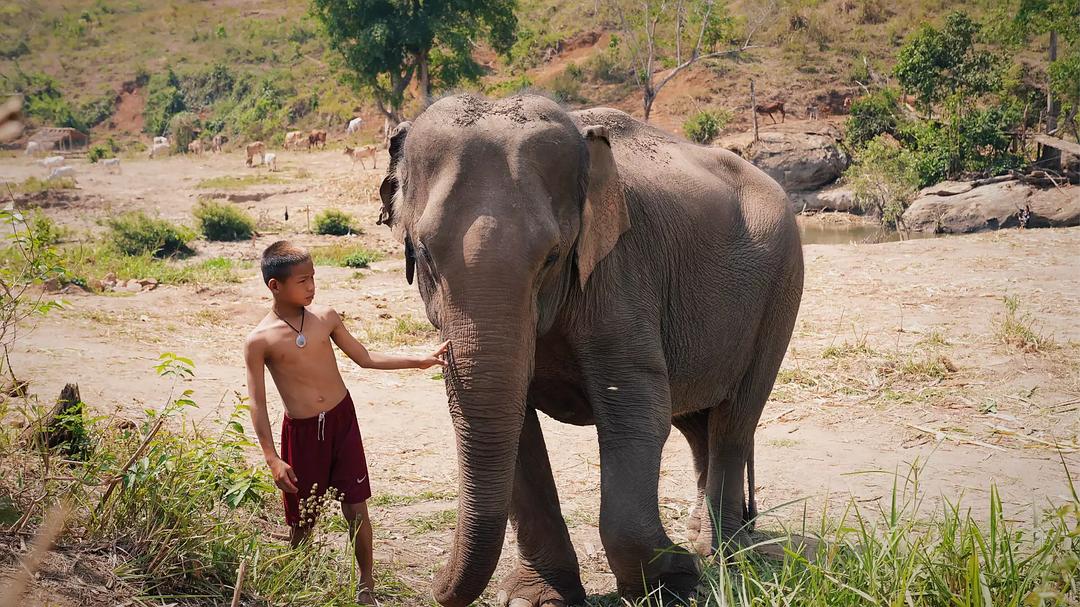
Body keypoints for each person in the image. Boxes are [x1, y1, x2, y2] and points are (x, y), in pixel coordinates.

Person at [245, 240, 448, 605]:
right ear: (274, 286)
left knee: (356, 506)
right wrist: (272, 458)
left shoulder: (326, 317)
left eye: (313, 278)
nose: (312, 287)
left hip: (342, 420)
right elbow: (257, 404)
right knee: (302, 520)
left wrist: (419, 361)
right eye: (303, 281)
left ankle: (366, 586)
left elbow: (365, 358)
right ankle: (297, 582)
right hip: (302, 433)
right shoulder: (259, 340)